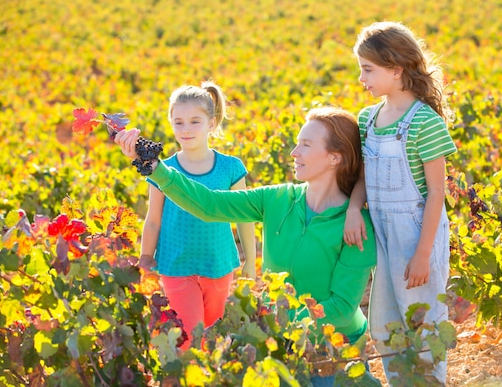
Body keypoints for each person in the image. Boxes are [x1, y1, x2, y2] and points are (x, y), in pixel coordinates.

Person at [115, 107, 378, 386]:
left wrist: (272, 320)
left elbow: (342, 308)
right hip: (280, 339)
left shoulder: (355, 227)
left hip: (335, 344)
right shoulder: (278, 199)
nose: (294, 152)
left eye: (306, 145)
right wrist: (155, 168)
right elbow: (210, 204)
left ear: (334, 157)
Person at [343, 21, 457, 385]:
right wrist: (352, 208)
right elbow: (364, 177)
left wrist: (423, 253)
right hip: (384, 235)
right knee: (385, 325)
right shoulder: (367, 118)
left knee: (423, 324)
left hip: (417, 235)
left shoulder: (425, 121)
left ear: (396, 69)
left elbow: (437, 193)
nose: (362, 78)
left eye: (368, 69)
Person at [137, 82, 256, 349]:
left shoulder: (230, 168)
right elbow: (153, 219)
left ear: (211, 123)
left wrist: (250, 259)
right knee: (189, 337)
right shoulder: (162, 170)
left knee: (212, 338)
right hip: (175, 265)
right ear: (170, 123)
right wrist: (145, 257)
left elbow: (244, 218)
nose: (186, 129)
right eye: (178, 122)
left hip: (218, 264)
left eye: (194, 121)